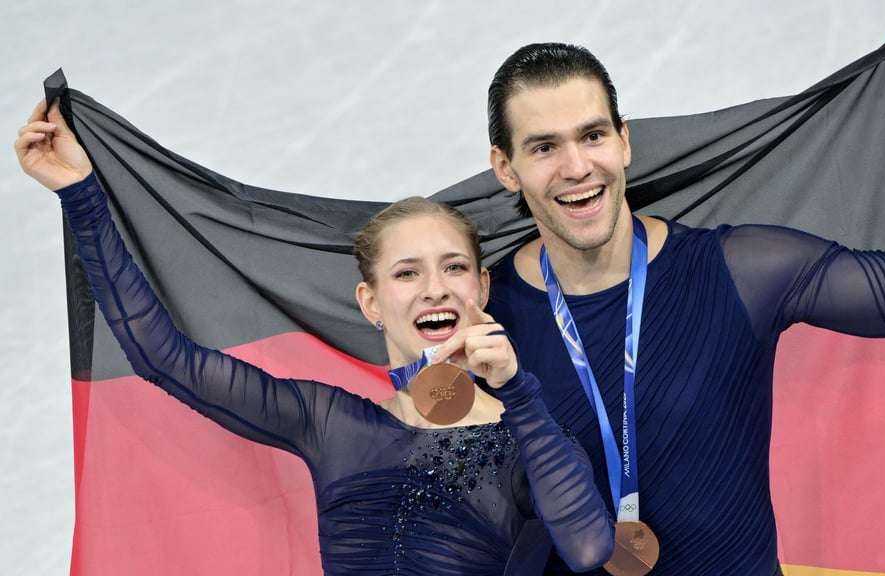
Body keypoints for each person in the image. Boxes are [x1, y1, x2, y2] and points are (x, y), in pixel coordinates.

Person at [474, 27, 885, 575]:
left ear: (624, 141)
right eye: (544, 147)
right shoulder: (483, 322)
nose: (577, 166)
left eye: (593, 136)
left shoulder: (740, 269)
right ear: (506, 168)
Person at [14, 100, 615, 575]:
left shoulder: (528, 433)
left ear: (482, 288)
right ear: (371, 303)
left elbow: (588, 547)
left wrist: (517, 391)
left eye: (453, 267)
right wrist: (82, 196)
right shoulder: (329, 423)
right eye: (407, 273)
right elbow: (161, 356)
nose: (435, 288)